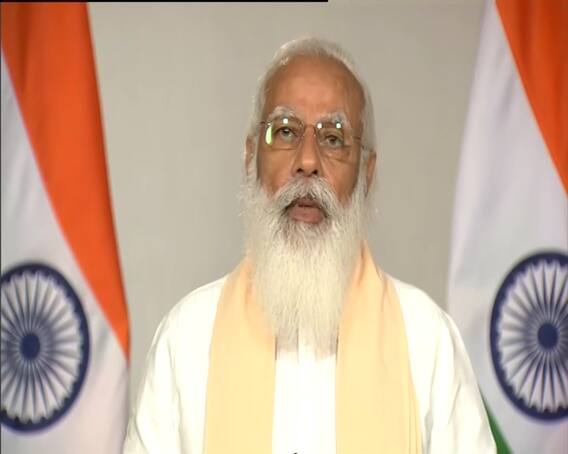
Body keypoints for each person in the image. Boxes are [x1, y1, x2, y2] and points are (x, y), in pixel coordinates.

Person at [123, 37, 496, 454]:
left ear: (366, 173)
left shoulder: (427, 340)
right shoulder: (187, 337)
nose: (307, 161)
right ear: (250, 157)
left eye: (333, 138)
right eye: (285, 131)